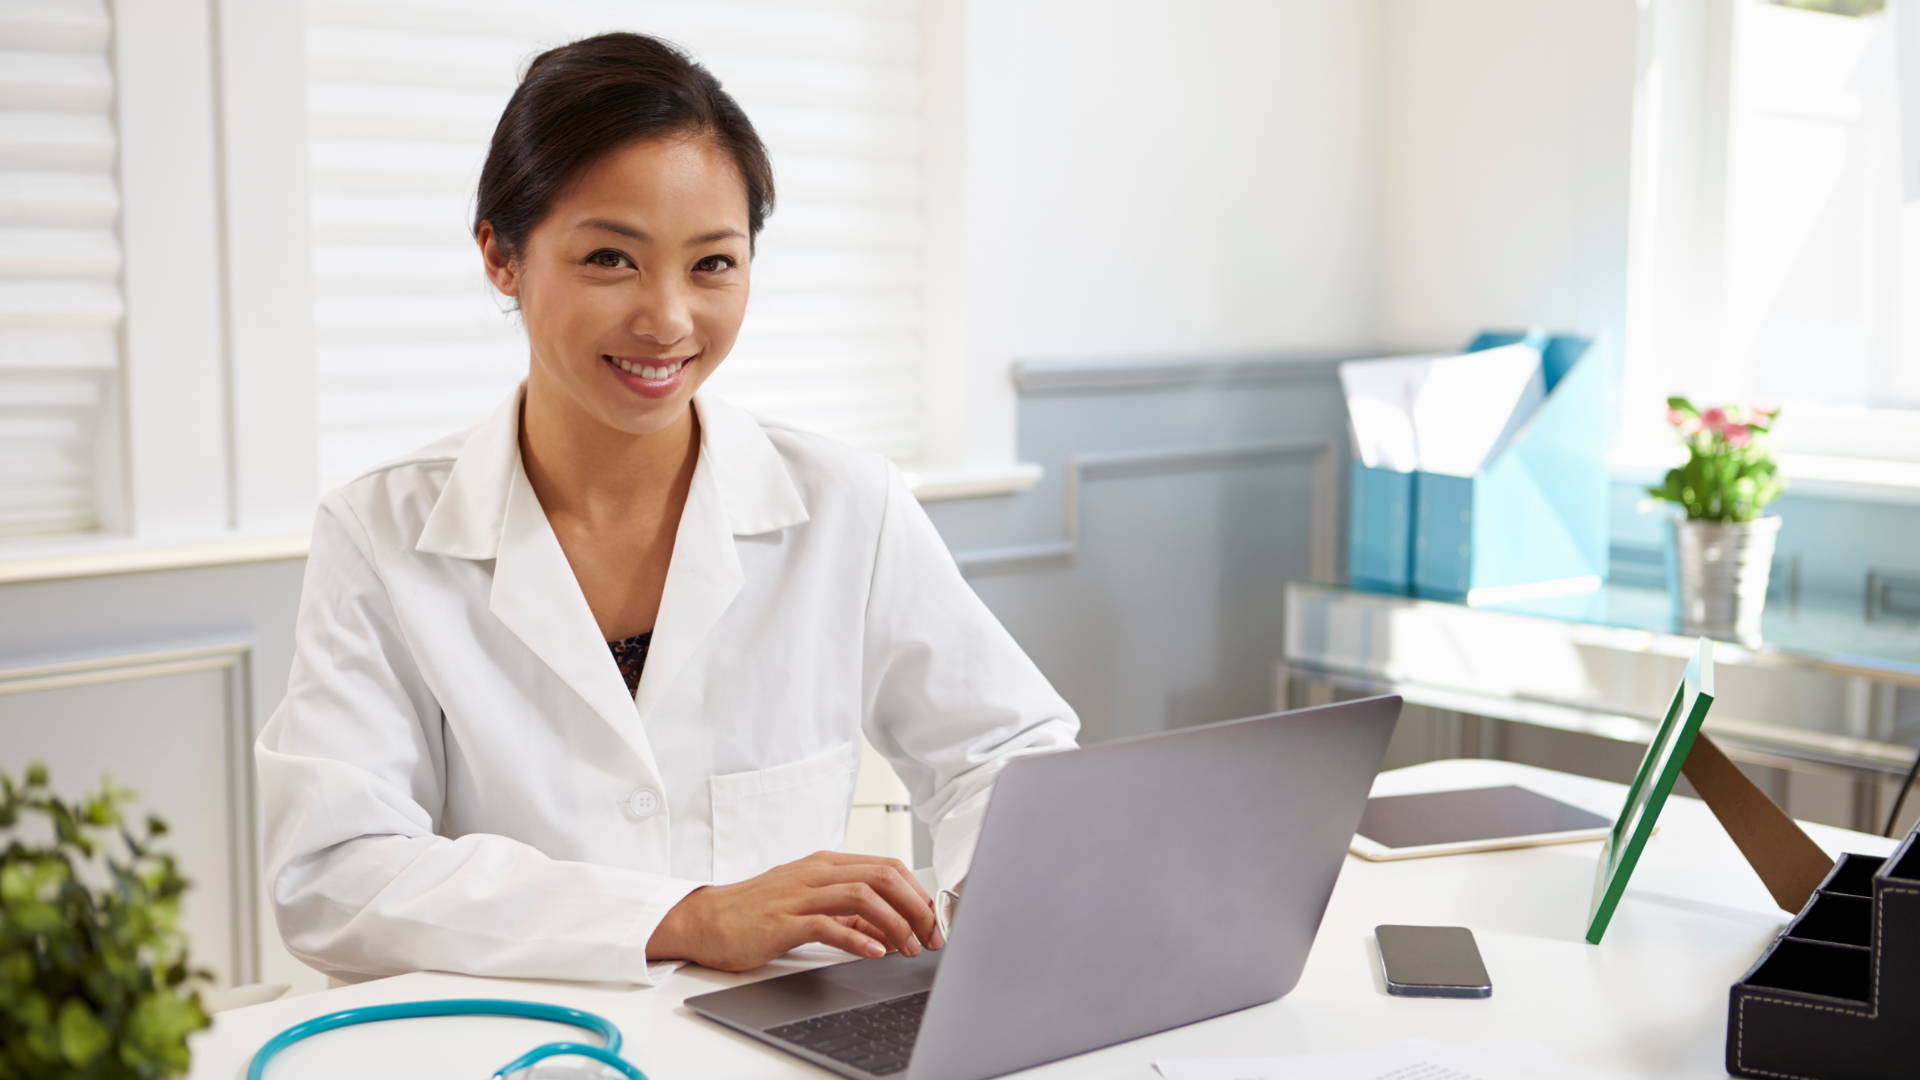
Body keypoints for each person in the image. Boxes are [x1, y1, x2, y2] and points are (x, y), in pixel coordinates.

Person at [255, 32, 1079, 986]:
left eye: (713, 264)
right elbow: (333, 874)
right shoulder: (380, 532)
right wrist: (680, 917)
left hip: (778, 1044)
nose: (669, 319)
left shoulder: (849, 505)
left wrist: (993, 920)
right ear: (501, 255)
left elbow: (1007, 755)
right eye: (611, 258)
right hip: (524, 1042)